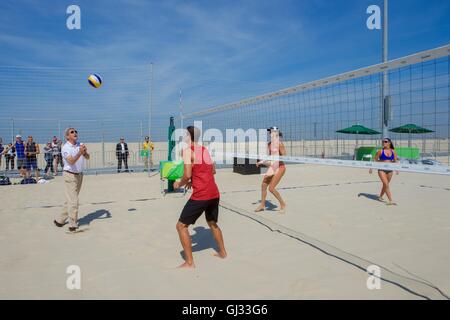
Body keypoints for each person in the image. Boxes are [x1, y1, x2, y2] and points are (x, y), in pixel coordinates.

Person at [173, 126, 227, 268]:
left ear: (188, 136)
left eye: (184, 134)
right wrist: (193, 181)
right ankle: (223, 252)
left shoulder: (187, 151)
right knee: (212, 223)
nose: (183, 137)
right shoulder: (204, 150)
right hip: (214, 193)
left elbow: (187, 174)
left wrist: (179, 183)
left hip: (201, 195)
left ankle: (190, 262)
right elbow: (212, 170)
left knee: (180, 226)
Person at [54, 128, 90, 232]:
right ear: (67, 136)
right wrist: (79, 152)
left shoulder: (80, 144)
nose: (75, 133)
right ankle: (72, 224)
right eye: (72, 132)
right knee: (74, 200)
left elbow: (88, 157)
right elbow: (71, 161)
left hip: (79, 175)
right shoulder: (65, 147)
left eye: (76, 131)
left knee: (70, 199)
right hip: (69, 175)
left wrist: (84, 152)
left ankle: (60, 220)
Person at [255, 127, 287, 213]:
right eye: (270, 132)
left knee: (271, 188)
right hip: (273, 167)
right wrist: (261, 162)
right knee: (263, 185)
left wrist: (276, 158)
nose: (270, 134)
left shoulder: (280, 144)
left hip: (280, 167)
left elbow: (285, 156)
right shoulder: (269, 144)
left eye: (272, 132)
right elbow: (269, 157)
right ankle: (262, 205)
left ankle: (283, 204)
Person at [370, 138, 399, 205]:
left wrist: (397, 169)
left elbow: (396, 161)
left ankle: (380, 196)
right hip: (381, 169)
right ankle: (391, 200)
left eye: (385, 142)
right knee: (386, 184)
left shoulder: (393, 151)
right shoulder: (380, 151)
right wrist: (371, 168)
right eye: (383, 142)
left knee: (385, 185)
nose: (383, 143)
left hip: (390, 170)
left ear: (389, 143)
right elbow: (375, 160)